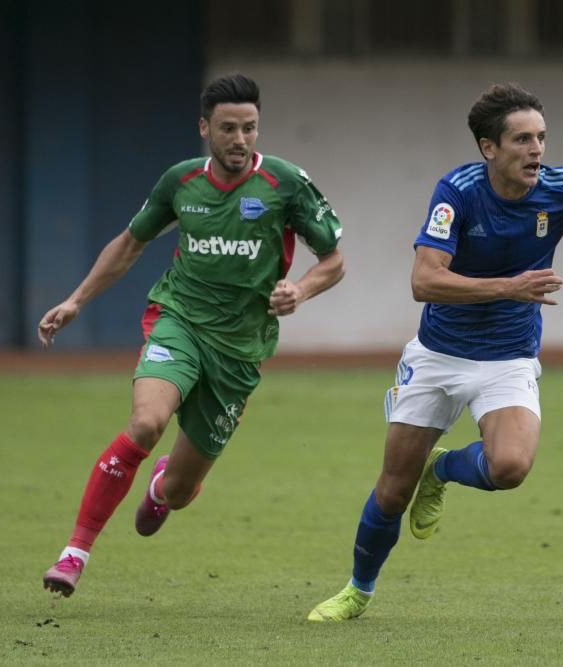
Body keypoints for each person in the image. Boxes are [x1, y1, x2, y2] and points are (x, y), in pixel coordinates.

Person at [307, 82, 563, 621]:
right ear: (488, 147)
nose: (536, 151)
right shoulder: (458, 191)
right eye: (522, 140)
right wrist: (509, 286)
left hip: (509, 357)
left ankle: (444, 470)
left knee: (512, 466)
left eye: (541, 137)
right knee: (391, 491)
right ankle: (358, 590)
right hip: (437, 356)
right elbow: (424, 282)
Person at [40, 74, 345, 597]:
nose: (240, 139)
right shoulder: (180, 183)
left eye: (249, 128)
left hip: (240, 351)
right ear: (205, 128)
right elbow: (128, 244)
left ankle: (162, 486)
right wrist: (76, 299)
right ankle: (74, 552)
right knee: (144, 424)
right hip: (177, 320)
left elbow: (334, 261)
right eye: (228, 128)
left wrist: (301, 291)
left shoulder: (286, 183)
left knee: (180, 490)